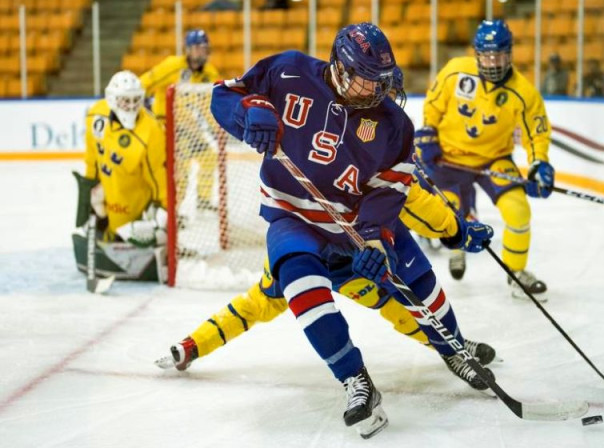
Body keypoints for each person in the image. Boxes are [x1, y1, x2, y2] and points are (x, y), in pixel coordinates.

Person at [209, 23, 496, 438]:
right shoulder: (288, 70)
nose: (377, 89)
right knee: (297, 280)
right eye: (366, 79)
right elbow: (225, 93)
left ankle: (453, 347)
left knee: (417, 281)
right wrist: (248, 110)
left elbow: (389, 189)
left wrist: (376, 237)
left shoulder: (393, 124)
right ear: (340, 68)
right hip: (295, 215)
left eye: (382, 80)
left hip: (357, 220)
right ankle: (354, 379)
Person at [154, 181, 498, 372]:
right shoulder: (284, 258)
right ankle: (449, 346)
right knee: (390, 303)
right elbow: (247, 309)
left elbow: (409, 195)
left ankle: (451, 345)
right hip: (327, 263)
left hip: (360, 249)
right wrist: (193, 345)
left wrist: (456, 229)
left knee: (398, 302)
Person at [415, 19, 554, 300]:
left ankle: (516, 272)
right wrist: (428, 130)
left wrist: (539, 163)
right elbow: (433, 104)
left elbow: (536, 132)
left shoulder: (523, 92)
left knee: (518, 211)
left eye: (499, 55)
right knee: (451, 215)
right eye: (486, 55)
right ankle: (457, 250)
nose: (492, 62)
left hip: (494, 160)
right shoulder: (456, 72)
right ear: (476, 54)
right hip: (448, 159)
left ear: (510, 54)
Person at [71, 70, 168, 281]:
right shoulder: (95, 116)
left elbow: (159, 176)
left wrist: (164, 206)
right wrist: (90, 188)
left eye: (136, 100)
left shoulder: (152, 130)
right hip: (105, 194)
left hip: (133, 203)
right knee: (100, 232)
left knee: (129, 239)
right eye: (126, 101)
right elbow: (92, 157)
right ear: (113, 99)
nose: (132, 106)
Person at [139, 29, 221, 211]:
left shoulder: (210, 73)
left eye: (203, 48)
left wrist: (217, 126)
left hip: (189, 128)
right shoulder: (173, 66)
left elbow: (210, 103)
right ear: (188, 49)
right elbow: (145, 81)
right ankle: (171, 210)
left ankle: (203, 199)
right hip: (166, 126)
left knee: (208, 156)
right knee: (180, 168)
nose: (200, 52)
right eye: (196, 48)